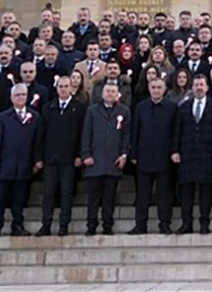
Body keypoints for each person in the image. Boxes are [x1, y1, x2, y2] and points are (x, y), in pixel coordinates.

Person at [172, 75, 212, 235]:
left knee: (205, 192)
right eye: (196, 85)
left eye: (202, 85)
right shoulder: (184, 107)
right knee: (186, 192)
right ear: (192, 87)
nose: (199, 88)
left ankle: (204, 223)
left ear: (207, 87)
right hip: (187, 154)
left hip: (207, 154)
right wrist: (175, 151)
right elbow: (177, 131)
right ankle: (186, 223)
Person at [35, 75, 86, 236]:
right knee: (49, 192)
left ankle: (64, 224)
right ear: (56, 88)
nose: (63, 89)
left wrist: (79, 155)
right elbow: (41, 135)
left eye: (66, 86)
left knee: (66, 192)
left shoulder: (79, 107)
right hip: (50, 157)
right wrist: (39, 157)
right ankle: (46, 224)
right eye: (60, 86)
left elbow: (82, 133)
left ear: (71, 87)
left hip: (70, 158)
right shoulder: (47, 108)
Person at [0, 83, 40, 237]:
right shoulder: (3, 117)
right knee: (0, 199)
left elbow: (37, 141)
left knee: (19, 199)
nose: (21, 98)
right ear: (11, 98)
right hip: (5, 164)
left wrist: (37, 160)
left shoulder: (34, 117)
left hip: (24, 164)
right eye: (17, 95)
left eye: (23, 95)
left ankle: (17, 225)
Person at [80, 82, 130, 235]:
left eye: (113, 91)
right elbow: (86, 133)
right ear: (102, 94)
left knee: (109, 196)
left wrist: (124, 155)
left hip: (113, 160)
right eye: (107, 91)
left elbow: (126, 135)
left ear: (118, 94)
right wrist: (86, 154)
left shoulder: (124, 111)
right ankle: (91, 225)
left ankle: (107, 225)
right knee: (93, 197)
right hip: (95, 160)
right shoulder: (92, 111)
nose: (110, 94)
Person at [130, 76, 177, 235]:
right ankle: (140, 224)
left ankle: (164, 223)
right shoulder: (141, 107)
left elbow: (175, 132)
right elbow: (135, 131)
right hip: (144, 156)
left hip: (164, 157)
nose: (156, 90)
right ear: (149, 89)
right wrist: (133, 153)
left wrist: (174, 152)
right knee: (142, 194)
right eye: (153, 87)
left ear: (164, 89)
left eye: (159, 87)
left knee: (164, 194)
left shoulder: (172, 107)